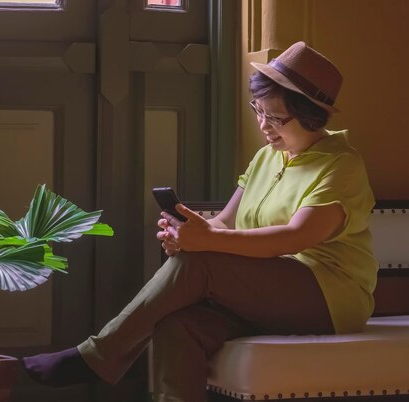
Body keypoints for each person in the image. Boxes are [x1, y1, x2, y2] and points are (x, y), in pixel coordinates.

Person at [23, 41, 378, 402]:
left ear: (312, 116)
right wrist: (191, 231)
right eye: (258, 111)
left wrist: (205, 243)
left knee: (200, 261)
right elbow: (226, 222)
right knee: (178, 327)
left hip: (328, 299)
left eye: (276, 118)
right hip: (264, 290)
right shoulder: (267, 157)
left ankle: (96, 356)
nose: (263, 126)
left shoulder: (342, 165)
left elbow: (294, 237)